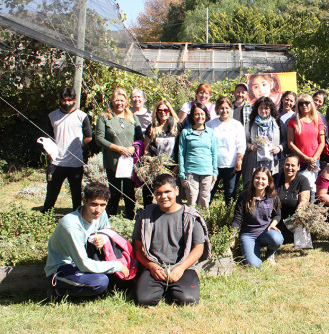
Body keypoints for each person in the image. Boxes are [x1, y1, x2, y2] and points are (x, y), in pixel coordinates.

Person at [133, 174, 211, 306]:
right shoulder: (145, 217)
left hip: (183, 267)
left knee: (187, 300)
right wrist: (151, 267)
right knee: (143, 300)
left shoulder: (191, 217)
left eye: (167, 192)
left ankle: (174, 287)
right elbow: (138, 248)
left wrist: (180, 268)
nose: (163, 196)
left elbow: (199, 248)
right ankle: (161, 286)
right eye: (159, 193)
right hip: (155, 267)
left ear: (176, 190)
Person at [45, 182, 129, 298]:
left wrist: (102, 238)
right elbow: (83, 264)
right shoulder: (71, 225)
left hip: (85, 261)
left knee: (112, 283)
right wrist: (117, 266)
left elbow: (107, 231)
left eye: (102, 205)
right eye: (93, 204)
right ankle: (58, 291)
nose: (98, 210)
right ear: (84, 200)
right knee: (100, 282)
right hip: (63, 267)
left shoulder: (101, 213)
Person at [42, 86, 92, 213]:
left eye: (70, 100)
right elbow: (48, 137)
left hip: (75, 162)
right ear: (59, 100)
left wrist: (79, 147)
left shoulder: (82, 116)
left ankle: (78, 215)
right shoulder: (52, 116)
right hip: (56, 162)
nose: (67, 103)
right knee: (52, 191)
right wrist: (49, 149)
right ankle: (46, 215)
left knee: (76, 194)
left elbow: (89, 137)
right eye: (64, 100)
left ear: (74, 99)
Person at [95, 88, 143, 219]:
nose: (119, 103)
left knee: (129, 192)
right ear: (112, 101)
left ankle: (130, 218)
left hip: (129, 161)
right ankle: (111, 218)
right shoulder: (104, 117)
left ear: (126, 102)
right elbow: (99, 139)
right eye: (116, 100)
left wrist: (133, 148)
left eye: (122, 100)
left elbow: (140, 138)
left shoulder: (132, 117)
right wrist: (118, 148)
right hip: (113, 161)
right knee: (114, 191)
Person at [232, 167, 284, 267]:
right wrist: (232, 235)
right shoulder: (244, 196)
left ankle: (270, 253)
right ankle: (250, 249)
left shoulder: (272, 197)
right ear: (253, 180)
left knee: (277, 239)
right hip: (248, 234)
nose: (260, 181)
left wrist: (273, 224)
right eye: (257, 178)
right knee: (254, 265)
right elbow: (237, 218)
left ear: (268, 182)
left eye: (263, 179)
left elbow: (277, 215)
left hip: (265, 232)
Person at [178, 103, 218, 209]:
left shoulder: (210, 132)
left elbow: (214, 153)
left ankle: (204, 223)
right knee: (191, 200)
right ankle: (190, 223)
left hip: (207, 172)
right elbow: (181, 153)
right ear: (192, 116)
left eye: (202, 114)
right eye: (196, 114)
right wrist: (182, 172)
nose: (200, 116)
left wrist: (215, 172)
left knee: (205, 200)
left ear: (206, 115)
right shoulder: (186, 132)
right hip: (191, 171)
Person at [207, 96, 246, 203]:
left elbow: (241, 144)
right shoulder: (210, 124)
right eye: (221, 108)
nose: (224, 111)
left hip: (231, 165)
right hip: (214, 165)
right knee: (209, 191)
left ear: (231, 108)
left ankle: (229, 218)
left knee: (230, 193)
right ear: (217, 110)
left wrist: (239, 161)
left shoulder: (236, 125)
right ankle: (205, 216)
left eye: (227, 108)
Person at [142, 99, 180, 207]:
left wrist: (176, 168)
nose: (163, 112)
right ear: (156, 112)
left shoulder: (176, 127)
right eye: (160, 110)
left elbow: (180, 150)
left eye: (166, 110)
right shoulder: (152, 128)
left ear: (170, 111)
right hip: (155, 166)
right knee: (149, 191)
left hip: (172, 167)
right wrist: (152, 161)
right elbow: (146, 150)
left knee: (170, 194)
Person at [243, 96, 286, 188]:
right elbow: (243, 141)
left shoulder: (277, 123)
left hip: (272, 160)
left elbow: (285, 140)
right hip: (255, 159)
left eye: (266, 108)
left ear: (271, 109)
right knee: (254, 183)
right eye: (261, 108)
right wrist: (251, 146)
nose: (263, 110)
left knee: (271, 183)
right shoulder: (250, 124)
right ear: (257, 109)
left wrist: (279, 148)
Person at [286, 94, 325, 191]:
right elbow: (290, 143)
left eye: (307, 103)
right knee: (297, 188)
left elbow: (322, 142)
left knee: (312, 188)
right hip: (298, 161)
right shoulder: (293, 121)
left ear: (311, 104)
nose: (304, 105)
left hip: (314, 161)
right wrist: (306, 158)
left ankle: (309, 206)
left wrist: (313, 159)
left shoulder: (318, 120)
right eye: (301, 103)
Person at [276, 155, 311, 241]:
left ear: (298, 167)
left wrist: (298, 213)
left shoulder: (303, 180)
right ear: (283, 165)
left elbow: (304, 200)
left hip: (294, 220)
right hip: (276, 219)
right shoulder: (275, 178)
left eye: (293, 165)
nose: (289, 168)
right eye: (287, 165)